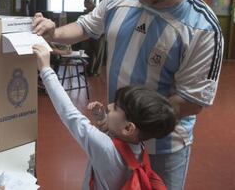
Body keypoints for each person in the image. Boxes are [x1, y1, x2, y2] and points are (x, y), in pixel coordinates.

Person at [32, 0, 223, 189]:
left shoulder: (201, 28)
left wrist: (131, 126)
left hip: (163, 148)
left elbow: (191, 101)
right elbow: (86, 27)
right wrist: (54, 32)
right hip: (116, 134)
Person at [32, 44, 176, 190]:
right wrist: (102, 121)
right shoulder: (139, 144)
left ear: (128, 127)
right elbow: (118, 141)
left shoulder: (105, 148)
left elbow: (69, 114)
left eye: (116, 108)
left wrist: (45, 69)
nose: (109, 106)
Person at [82, 0, 106, 76]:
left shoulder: (99, 10)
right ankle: (89, 70)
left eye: (86, 5)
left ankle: (96, 72)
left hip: (99, 35)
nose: (85, 7)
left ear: (90, 3)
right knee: (90, 53)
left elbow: (104, 22)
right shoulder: (89, 11)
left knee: (98, 54)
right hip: (91, 34)